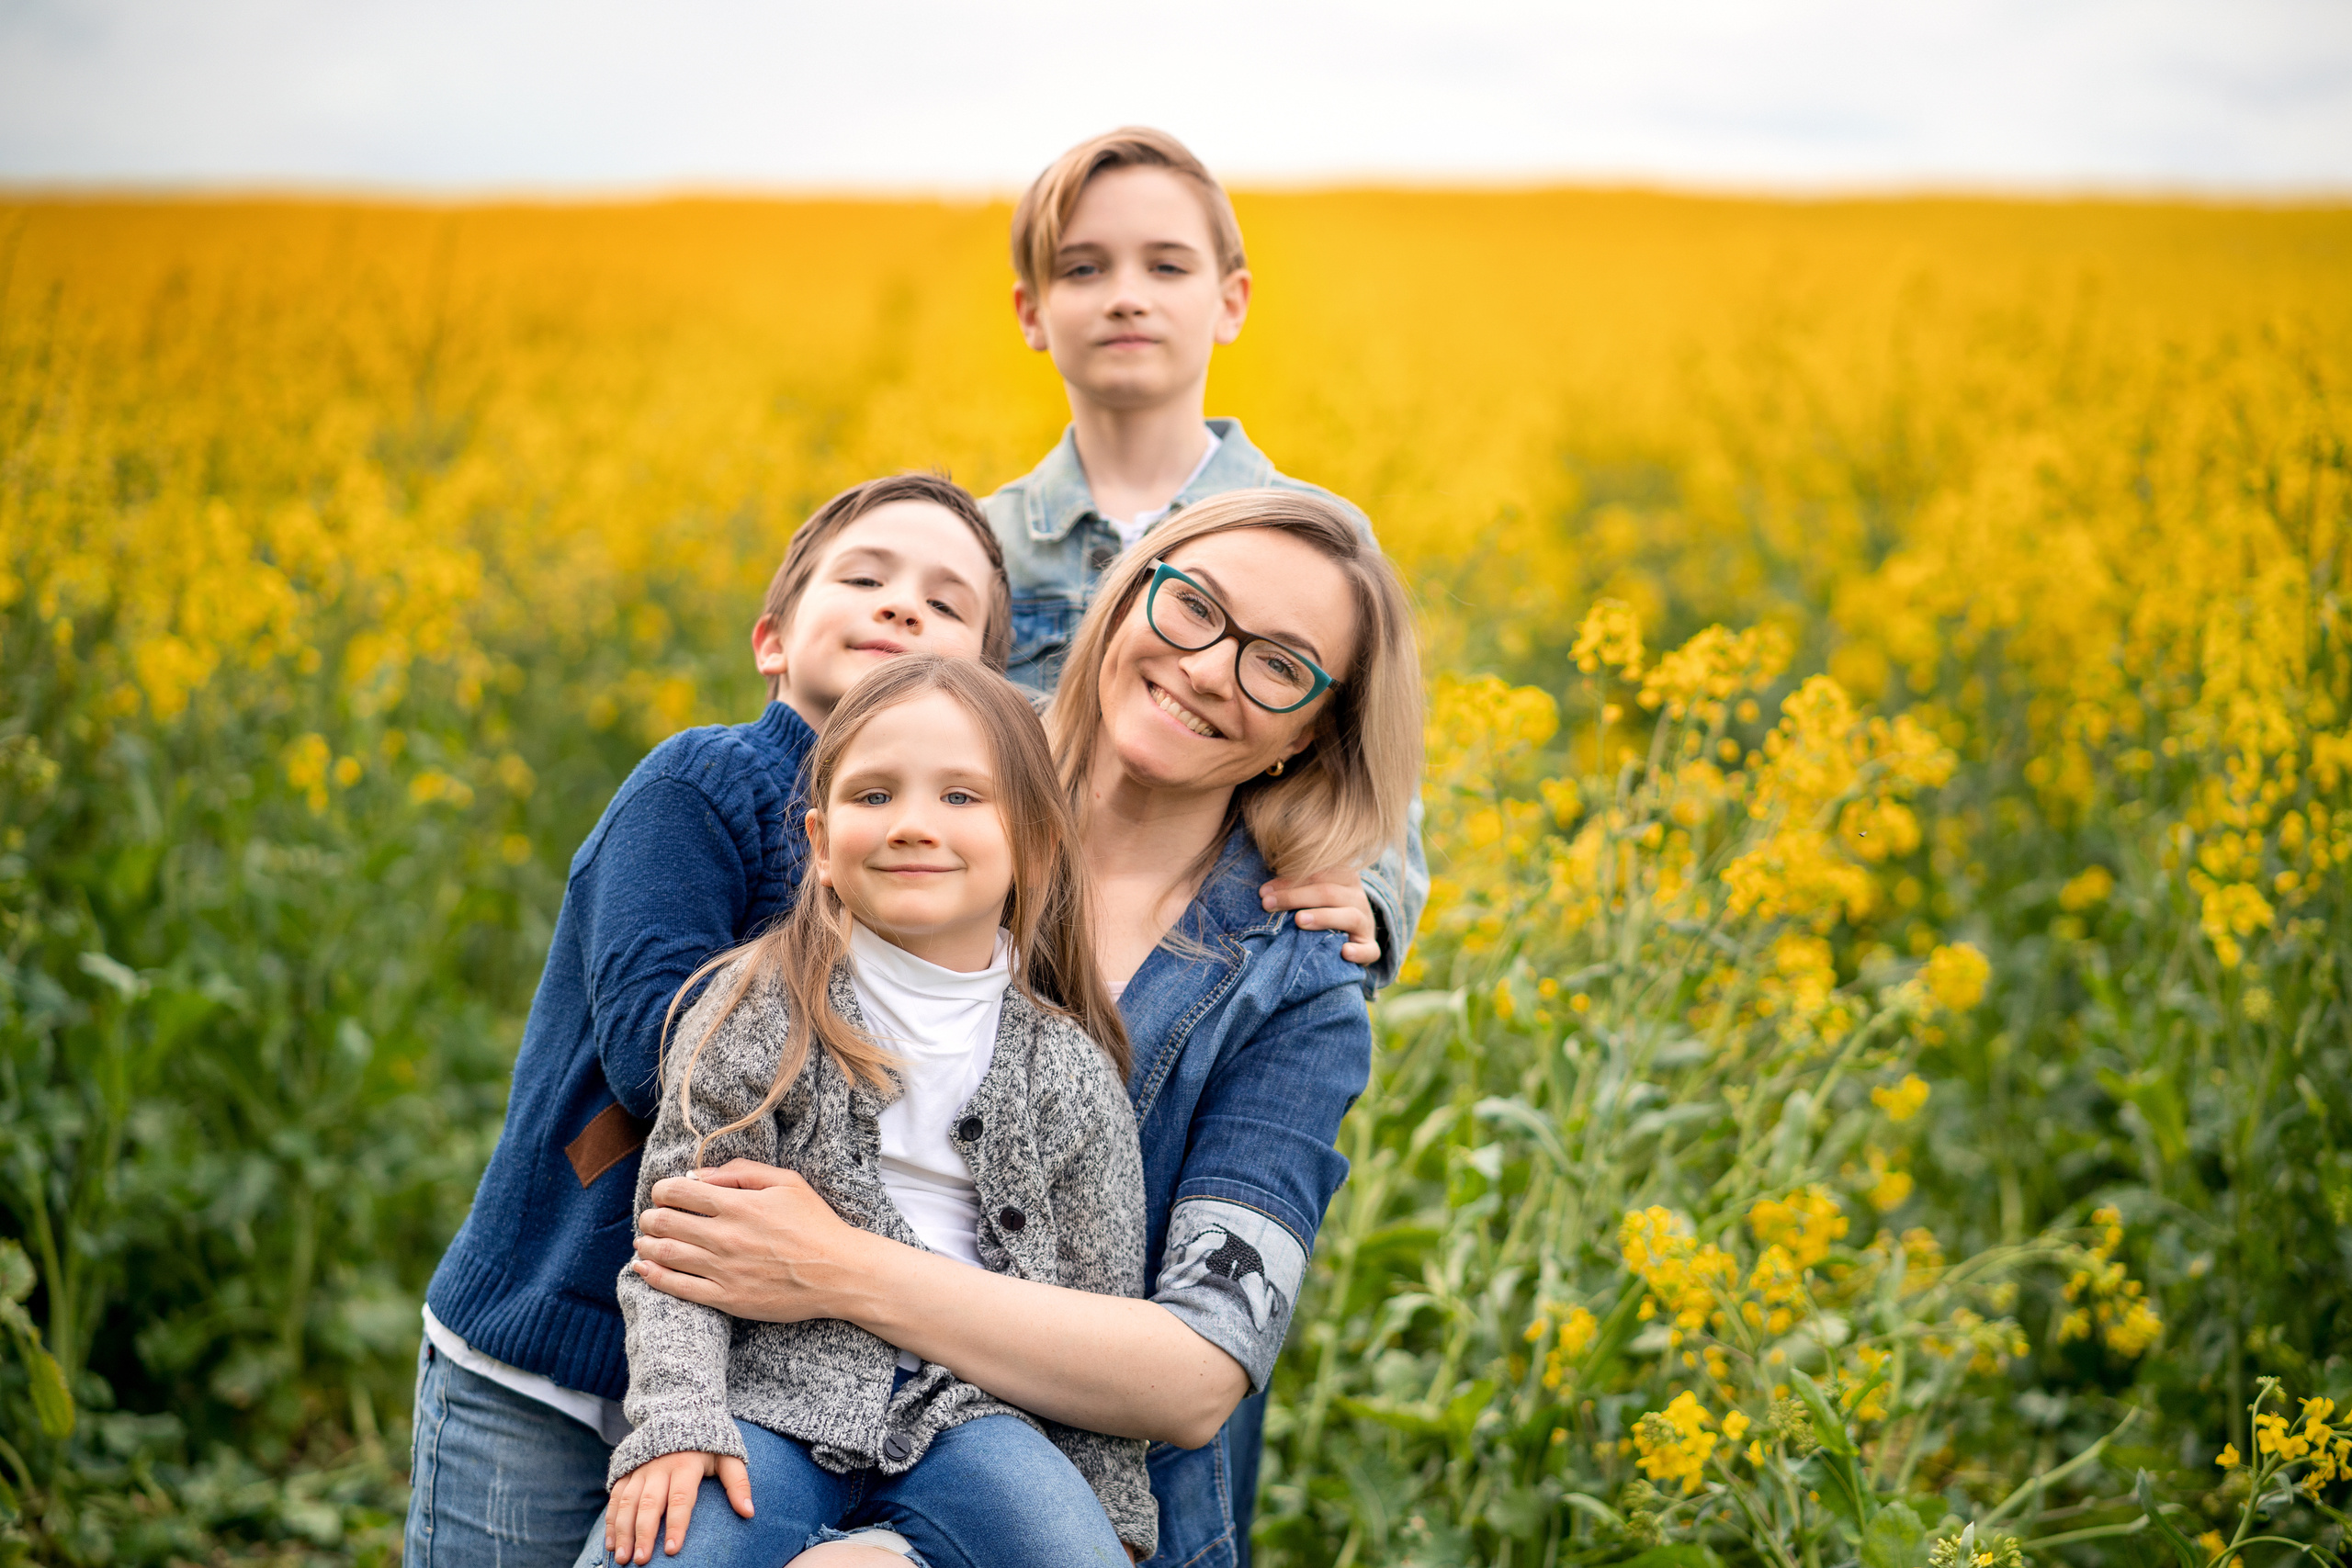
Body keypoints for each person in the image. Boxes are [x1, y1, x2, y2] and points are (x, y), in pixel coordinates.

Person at [629, 491, 1423, 1568]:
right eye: (1192, 607)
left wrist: (837, 1265)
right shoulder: (919, 802)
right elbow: (687, 1151)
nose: (1204, 668)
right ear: (1124, 596)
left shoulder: (1297, 988)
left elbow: (1196, 1372)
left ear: (1312, 732)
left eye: (1278, 664)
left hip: (1040, 1489)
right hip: (768, 1414)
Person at [405, 474, 1011, 1568]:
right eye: (865, 578)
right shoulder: (705, 783)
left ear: (983, 692)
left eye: (945, 603)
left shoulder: (964, 863)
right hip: (562, 1336)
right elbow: (658, 1052)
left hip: (757, 1382)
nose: (901, 607)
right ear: (772, 641)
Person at [594, 656, 1156, 1568]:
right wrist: (678, 1415)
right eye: (873, 795)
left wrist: (1112, 1520)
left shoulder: (1071, 1072)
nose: (911, 825)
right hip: (765, 1398)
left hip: (977, 1415)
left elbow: (1098, 1310)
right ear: (820, 843)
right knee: (664, 1548)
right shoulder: (754, 1008)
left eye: (962, 798)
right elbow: (675, 1245)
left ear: (1038, 844)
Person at [982, 126, 1428, 994]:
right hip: (997, 963)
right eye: (1082, 269)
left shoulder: (1321, 543)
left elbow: (1380, 777)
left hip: (1217, 985)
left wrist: (1367, 903)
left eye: (1167, 267)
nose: (1125, 297)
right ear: (1031, 313)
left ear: (1231, 300)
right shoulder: (983, 542)